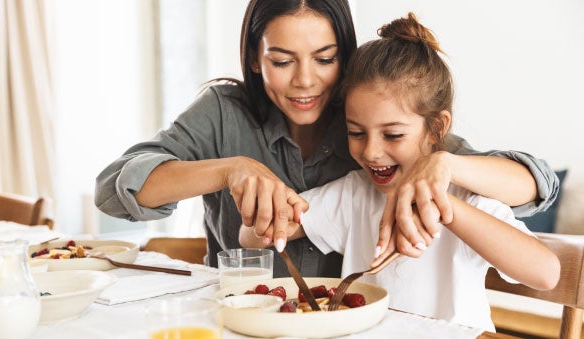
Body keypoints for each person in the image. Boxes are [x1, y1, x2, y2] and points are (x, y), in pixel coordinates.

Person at [95, 0, 558, 278]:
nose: (304, 82)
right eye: (282, 61)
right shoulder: (222, 112)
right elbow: (114, 189)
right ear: (256, 59)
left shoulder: (368, 118)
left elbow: (534, 187)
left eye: (324, 58)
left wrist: (449, 165)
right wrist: (230, 168)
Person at [239, 12, 560, 331]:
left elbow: (546, 274)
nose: (371, 151)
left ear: (436, 128)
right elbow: (252, 236)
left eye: (392, 135)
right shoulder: (354, 193)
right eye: (356, 132)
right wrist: (269, 213)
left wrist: (447, 210)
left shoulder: (466, 199)